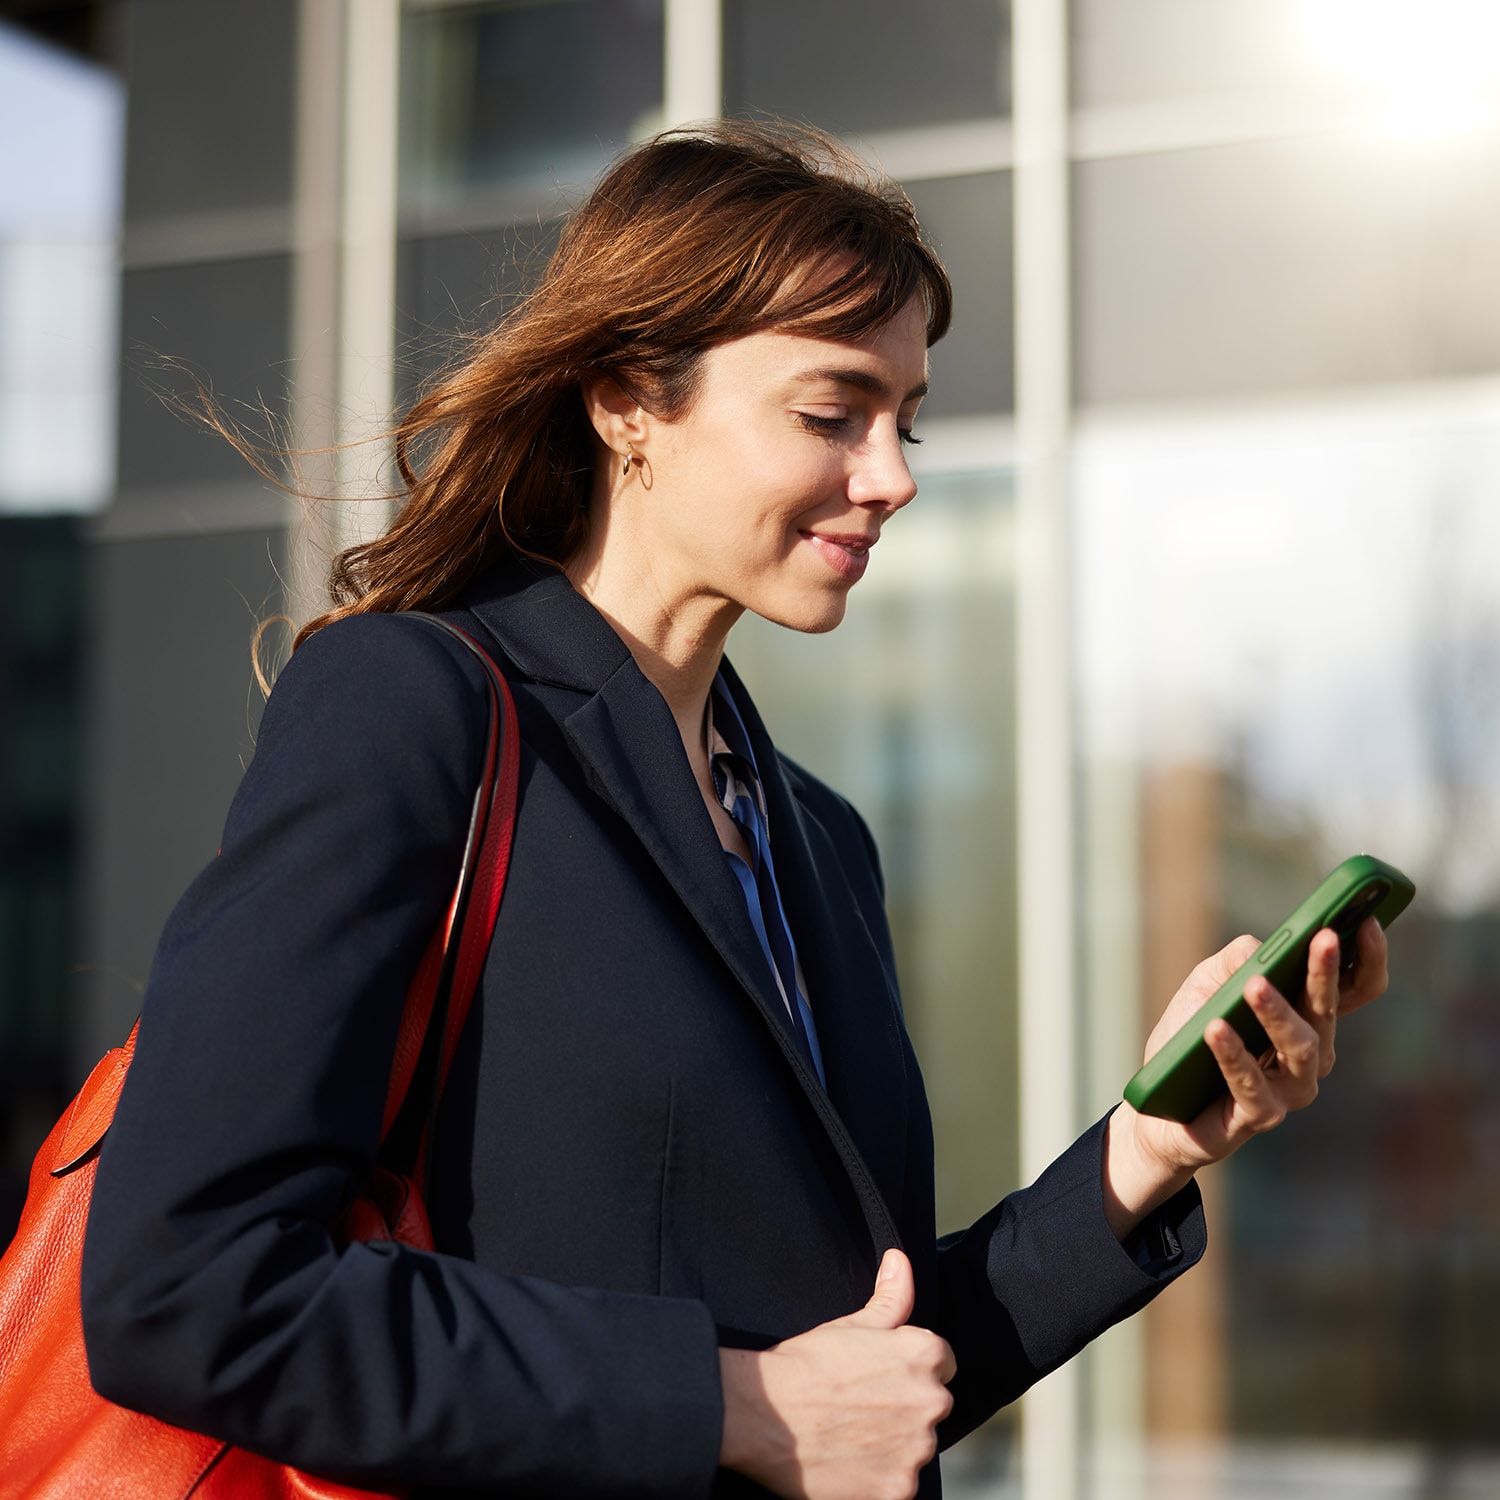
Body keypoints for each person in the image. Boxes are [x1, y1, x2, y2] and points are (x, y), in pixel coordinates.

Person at [81, 122, 1388, 1500]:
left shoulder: (815, 835)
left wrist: (1147, 1150)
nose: (894, 476)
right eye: (833, 414)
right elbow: (187, 1283)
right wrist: (730, 1403)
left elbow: (864, 1381)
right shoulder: (411, 709)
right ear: (627, 401)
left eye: (907, 419)